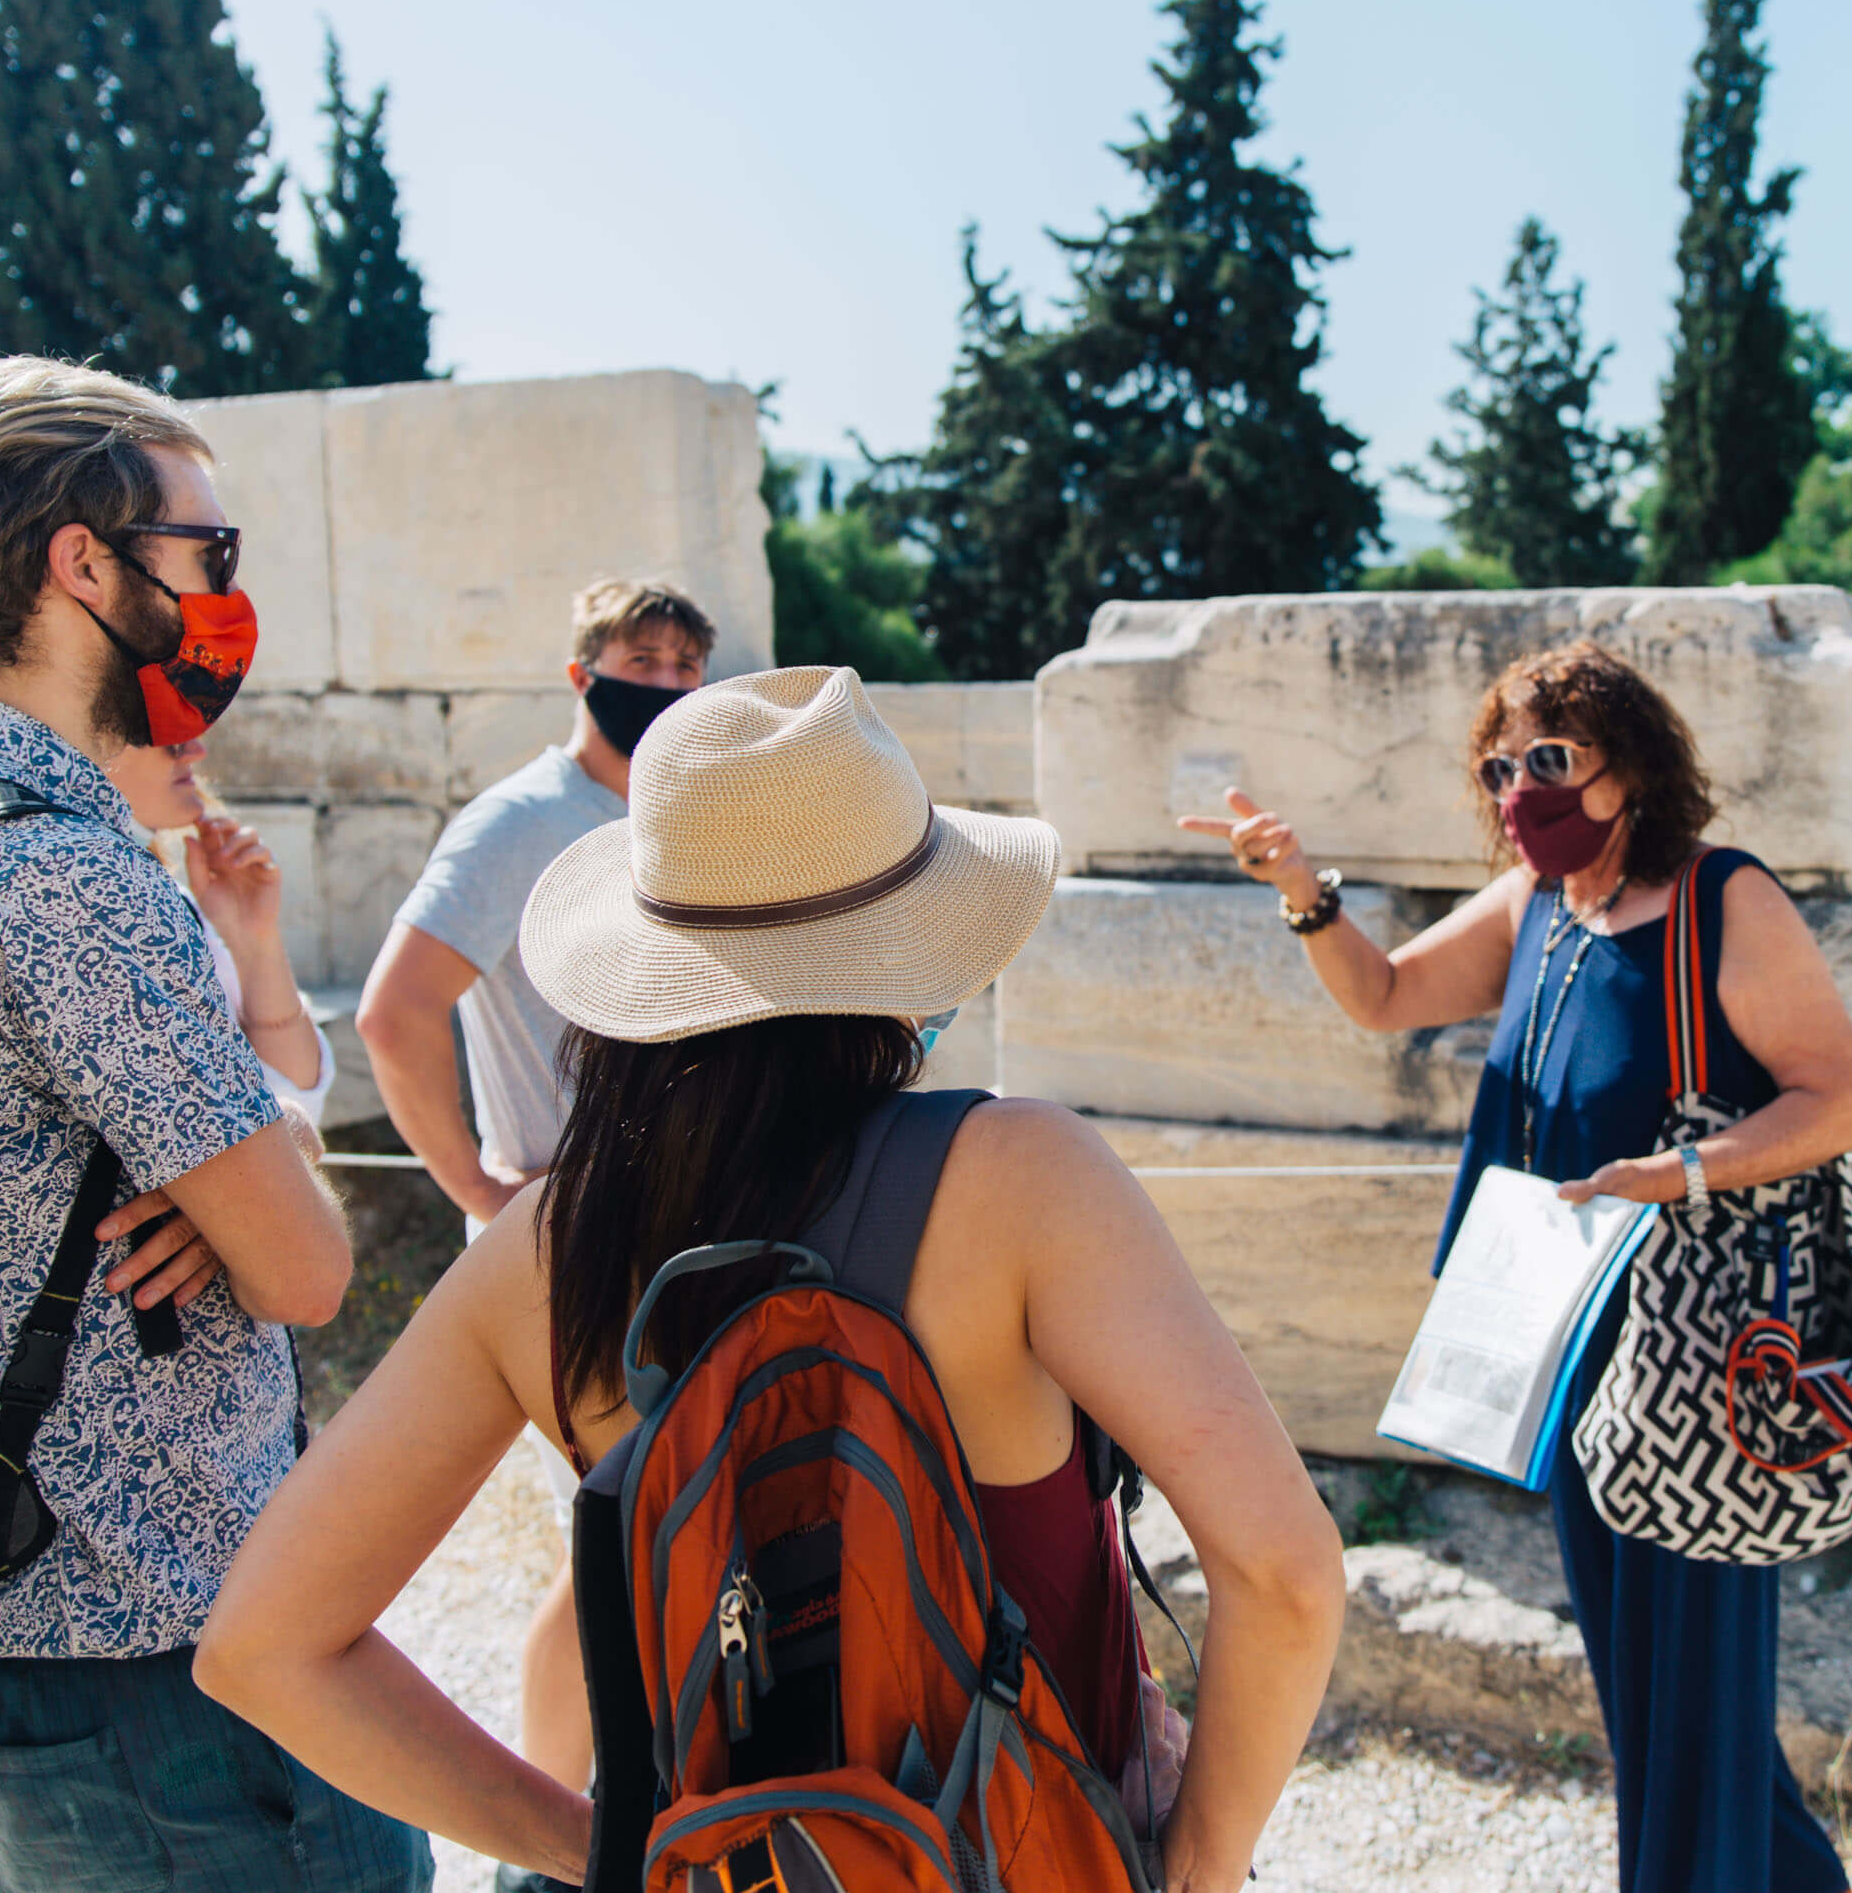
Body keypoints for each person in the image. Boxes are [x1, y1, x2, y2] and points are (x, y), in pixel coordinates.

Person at [197, 666, 1347, 1892]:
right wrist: (1195, 1869)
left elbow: (264, 1647)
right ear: (910, 948)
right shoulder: (1018, 1178)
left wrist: (597, 1853)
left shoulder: (540, 1254)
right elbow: (1282, 1575)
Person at [0, 355, 425, 1891]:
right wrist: (248, 1195)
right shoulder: (64, 871)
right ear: (83, 564)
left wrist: (223, 1188)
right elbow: (310, 1273)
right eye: (207, 556)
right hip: (164, 1658)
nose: (217, 599)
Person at [1178, 639, 1852, 1893]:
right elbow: (1384, 997)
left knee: (1695, 1688)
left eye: (1548, 759)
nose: (1519, 791)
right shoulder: (1536, 907)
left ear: (1632, 767)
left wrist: (1676, 1172)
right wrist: (1300, 892)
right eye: (1500, 766)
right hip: (1564, 1347)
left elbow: (1839, 1101)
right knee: (1645, 1687)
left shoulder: (1723, 900)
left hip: (1692, 1357)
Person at [354, 575, 714, 1823]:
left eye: (685, 664)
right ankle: (547, 1823)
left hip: (674, 1231)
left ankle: (623, 1800)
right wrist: (479, 1187)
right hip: (570, 1241)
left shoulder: (679, 818)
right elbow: (395, 1014)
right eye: (641, 656)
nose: (664, 681)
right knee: (616, 1545)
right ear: (583, 672)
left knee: (649, 1534)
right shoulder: (521, 822)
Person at [107, 735, 331, 1141]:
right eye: (161, 731)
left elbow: (298, 1092)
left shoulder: (175, 899)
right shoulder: (101, 909)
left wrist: (254, 940)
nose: (195, 749)